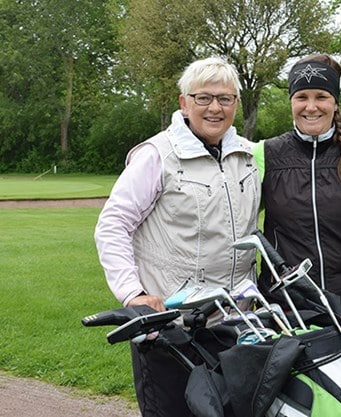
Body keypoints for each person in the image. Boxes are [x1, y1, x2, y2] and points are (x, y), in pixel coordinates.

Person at [94, 57, 260, 417]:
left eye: (225, 98)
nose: (215, 107)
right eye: (203, 98)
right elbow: (113, 224)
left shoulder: (247, 156)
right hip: (171, 333)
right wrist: (133, 294)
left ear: (236, 104)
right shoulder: (157, 155)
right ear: (184, 103)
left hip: (235, 328)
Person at [253, 54, 341, 341]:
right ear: (290, 101)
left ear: (335, 102)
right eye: (301, 97)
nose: (311, 107)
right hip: (286, 310)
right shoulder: (264, 154)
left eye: (322, 97)